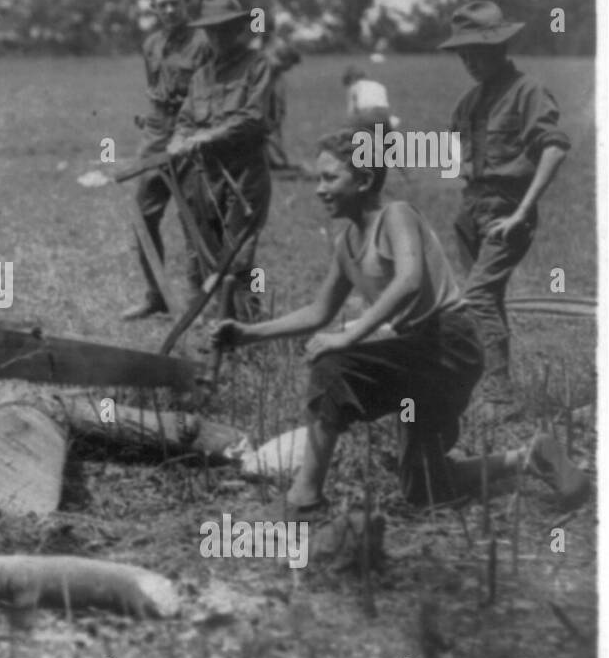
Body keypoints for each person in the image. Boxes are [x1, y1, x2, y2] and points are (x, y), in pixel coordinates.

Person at [212, 129, 590, 518]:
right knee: (424, 488)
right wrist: (246, 334)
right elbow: (319, 311)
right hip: (420, 356)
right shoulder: (347, 243)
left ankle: (304, 499)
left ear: (364, 180)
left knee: (332, 369)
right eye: (318, 179)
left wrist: (349, 337)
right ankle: (529, 456)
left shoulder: (396, 215)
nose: (319, 190)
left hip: (450, 345)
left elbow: (408, 281)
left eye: (330, 178)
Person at [440, 1, 573, 419]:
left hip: (507, 210)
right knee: (487, 300)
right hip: (472, 210)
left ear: (500, 47)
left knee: (477, 297)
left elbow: (553, 148)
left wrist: (521, 213)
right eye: (463, 55)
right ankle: (485, 387)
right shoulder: (469, 100)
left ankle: (500, 397)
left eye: (477, 52)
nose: (470, 62)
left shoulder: (527, 91)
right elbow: (455, 153)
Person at [166, 0, 275, 323]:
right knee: (205, 252)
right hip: (205, 177)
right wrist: (178, 138)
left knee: (238, 256)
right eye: (212, 31)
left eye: (226, 29)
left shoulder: (258, 66)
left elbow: (254, 118)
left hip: (245, 174)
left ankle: (243, 330)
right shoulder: (201, 76)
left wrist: (205, 136)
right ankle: (216, 323)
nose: (218, 37)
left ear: (239, 29)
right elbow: (185, 119)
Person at [122, 0, 211, 320]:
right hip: (156, 134)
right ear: (154, 9)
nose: (170, 10)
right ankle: (155, 294)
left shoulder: (204, 42)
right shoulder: (151, 44)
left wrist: (192, 134)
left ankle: (196, 301)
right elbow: (154, 86)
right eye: (163, 5)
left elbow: (209, 93)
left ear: (186, 2)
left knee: (194, 221)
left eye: (175, 3)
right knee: (142, 217)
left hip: (191, 133)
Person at [259, 16, 302, 170]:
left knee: (273, 121)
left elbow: (278, 64)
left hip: (272, 88)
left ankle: (276, 159)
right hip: (263, 88)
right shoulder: (261, 44)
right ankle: (270, 158)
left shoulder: (275, 45)